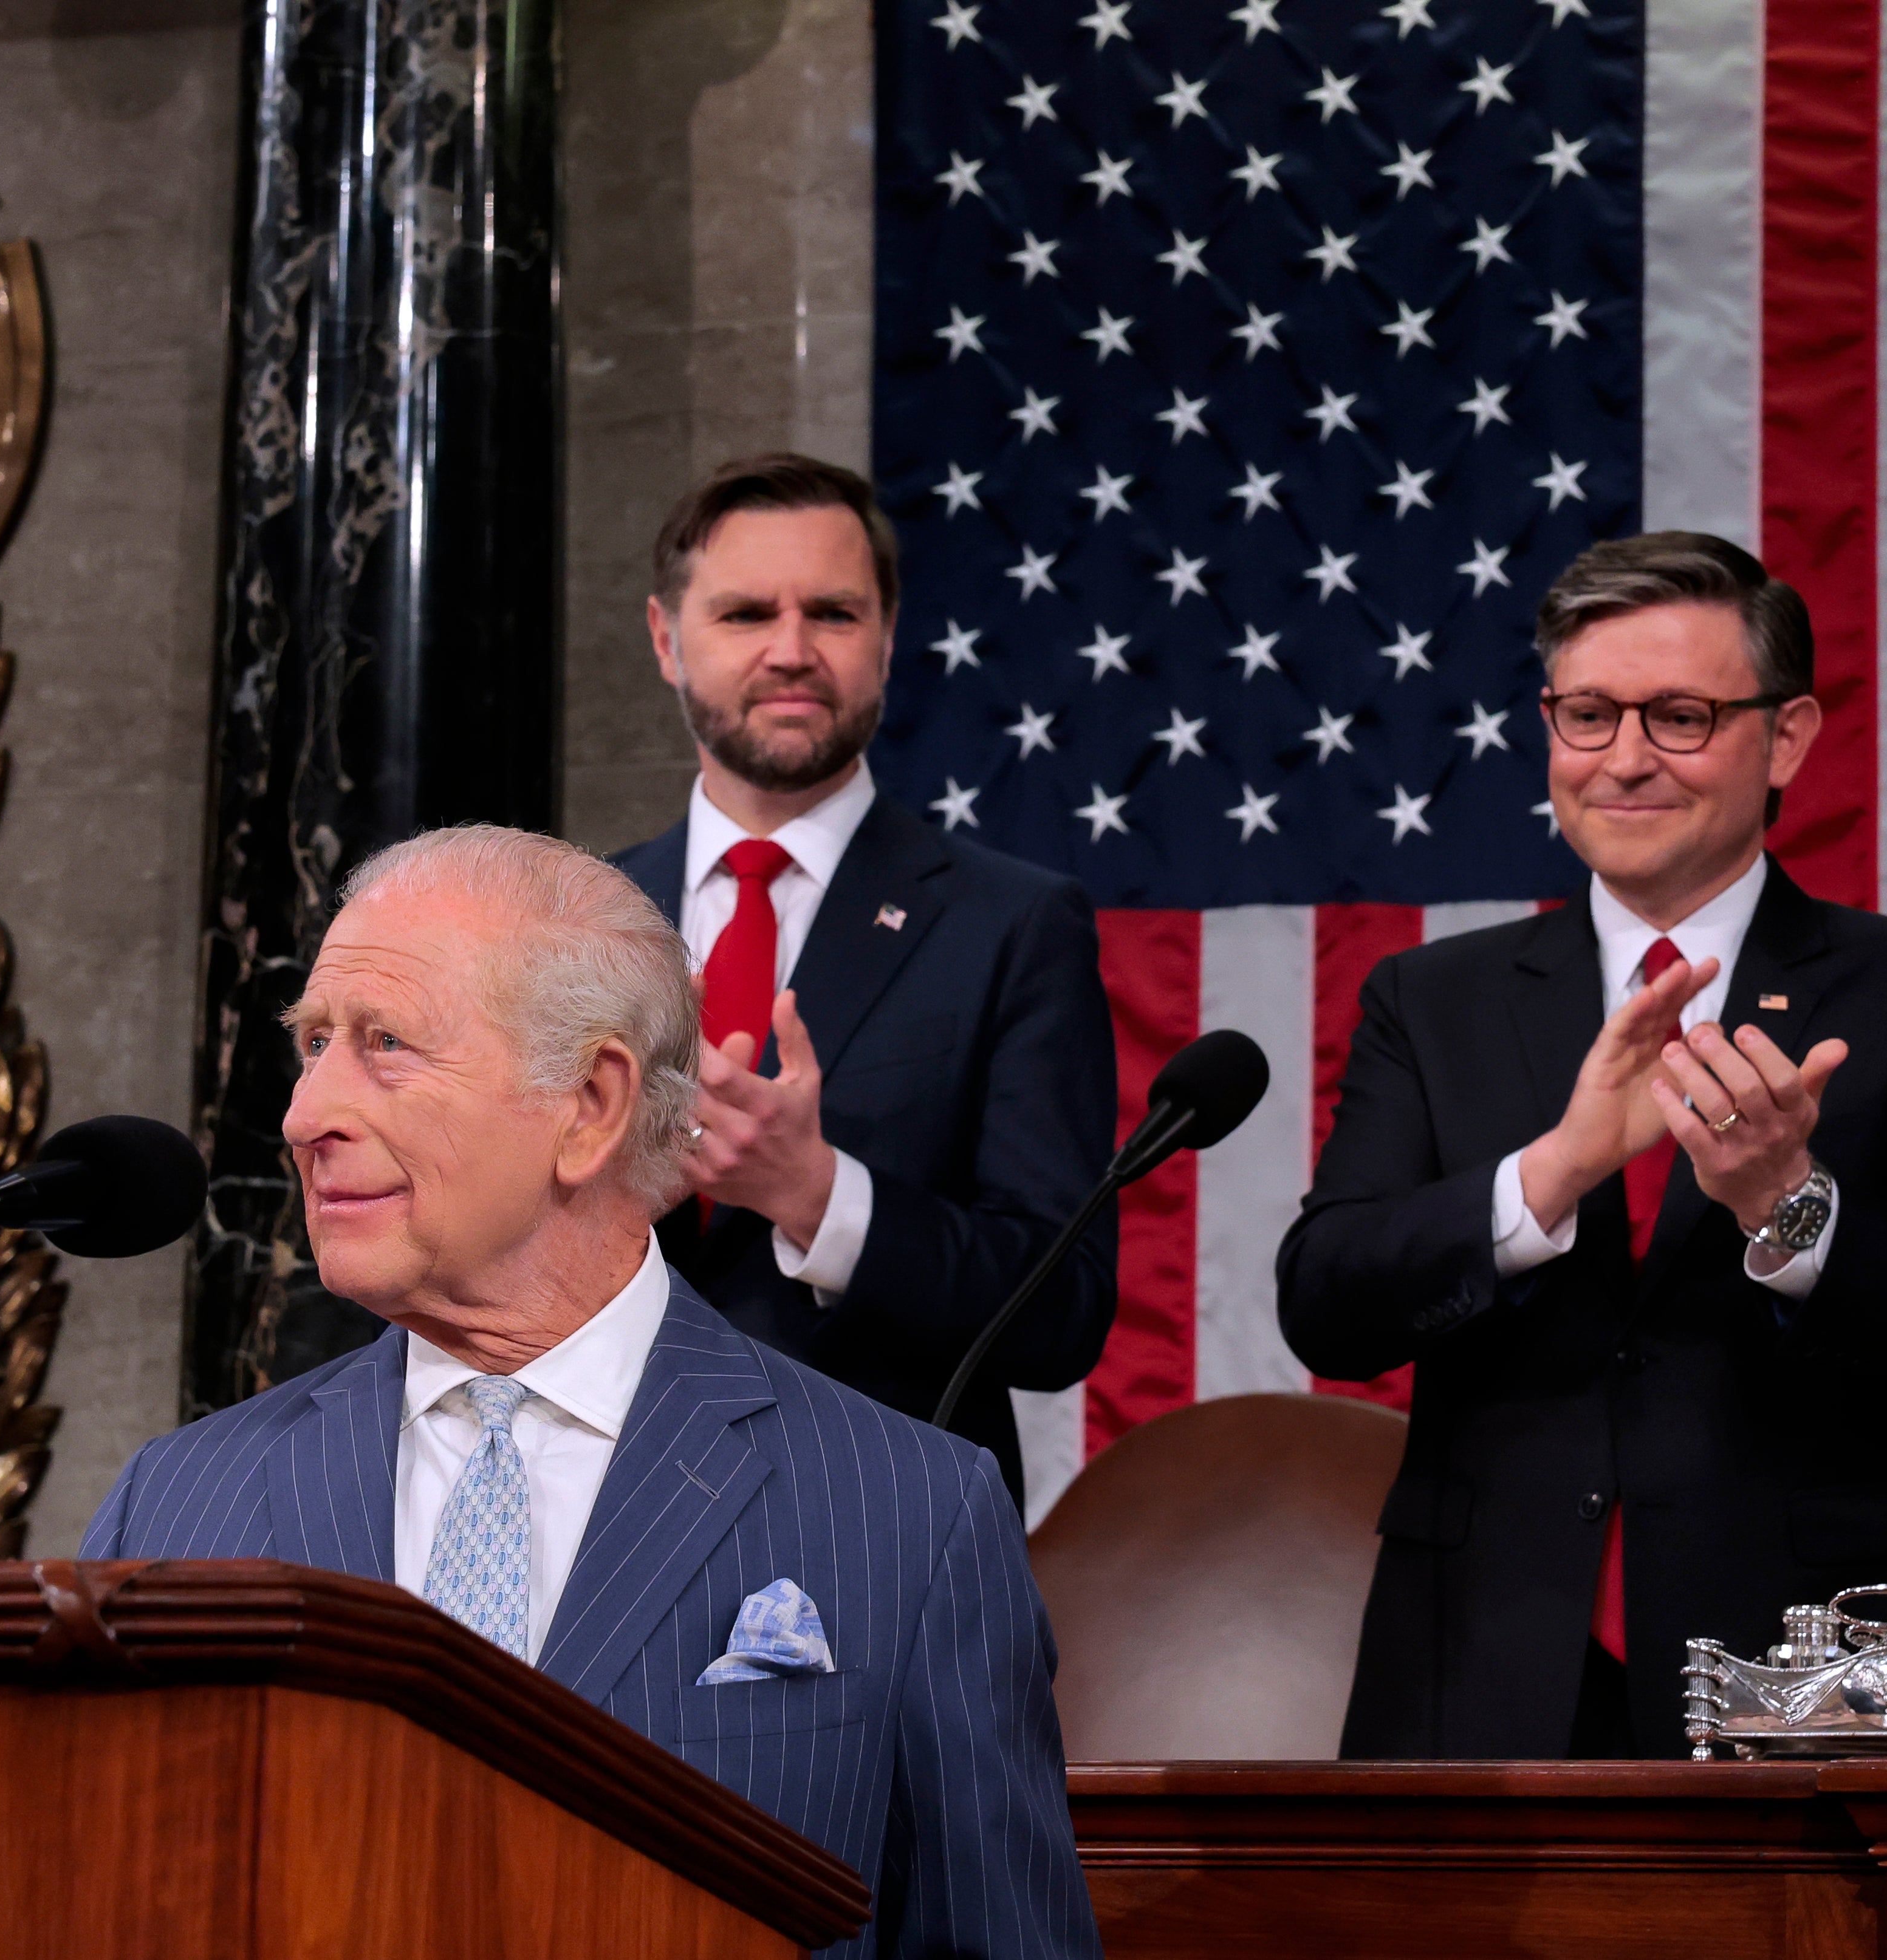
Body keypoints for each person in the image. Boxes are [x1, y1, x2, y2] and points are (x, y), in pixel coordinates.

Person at [83, 827, 1098, 1958]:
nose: (306, 1112)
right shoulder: (174, 1506)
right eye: (312, 1044)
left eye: (384, 1044)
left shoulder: (910, 1514)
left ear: (590, 1103)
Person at [1277, 532, 1887, 1761]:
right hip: (1481, 1670)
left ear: (1785, 738)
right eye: (1588, 715)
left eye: (1680, 717)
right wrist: (1557, 1171)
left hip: (1813, 1675)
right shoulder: (1431, 1001)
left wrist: (1787, 1207)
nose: (1625, 760)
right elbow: (1326, 1305)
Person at [609, 453, 1118, 1506]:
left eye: (833, 614)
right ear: (666, 640)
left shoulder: (1013, 924)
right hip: (597, 1521)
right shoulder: (573, 917)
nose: (791, 652)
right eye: (746, 613)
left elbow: (1060, 1312)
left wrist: (816, 1196)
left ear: (886, 638)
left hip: (876, 1535)